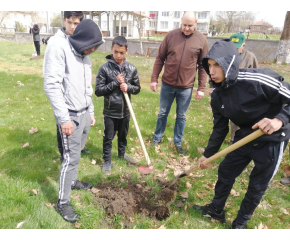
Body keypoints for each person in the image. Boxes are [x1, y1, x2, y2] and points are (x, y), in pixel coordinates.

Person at [193, 39, 290, 229]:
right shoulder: (217, 95)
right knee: (226, 171)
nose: (211, 71)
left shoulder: (258, 80)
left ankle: (240, 224)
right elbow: (220, 128)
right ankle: (216, 210)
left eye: (217, 65)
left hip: (272, 139)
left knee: (257, 185)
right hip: (245, 136)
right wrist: (208, 154)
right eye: (209, 66)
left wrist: (278, 119)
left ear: (229, 63)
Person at [43, 19, 104, 223]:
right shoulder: (61, 49)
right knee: (70, 158)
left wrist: (91, 111)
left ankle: (73, 181)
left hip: (85, 113)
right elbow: (51, 85)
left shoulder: (85, 58)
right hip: (70, 115)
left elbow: (88, 87)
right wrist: (63, 118)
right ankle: (63, 202)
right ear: (82, 40)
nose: (93, 49)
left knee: (78, 152)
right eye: (91, 45)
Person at [150, 11, 208, 155]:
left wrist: (201, 88)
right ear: (180, 22)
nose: (186, 28)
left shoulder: (201, 40)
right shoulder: (171, 36)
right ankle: (157, 138)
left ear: (195, 24)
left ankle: (178, 142)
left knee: (181, 116)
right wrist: (154, 79)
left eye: (190, 25)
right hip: (167, 84)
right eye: (184, 25)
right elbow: (160, 58)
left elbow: (203, 66)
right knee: (163, 112)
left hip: (186, 88)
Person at [95, 36, 141, 175]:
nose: (118, 55)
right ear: (111, 49)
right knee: (108, 137)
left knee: (123, 135)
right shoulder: (104, 69)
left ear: (126, 51)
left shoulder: (131, 69)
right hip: (110, 111)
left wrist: (128, 87)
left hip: (125, 111)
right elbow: (98, 91)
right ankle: (107, 161)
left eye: (121, 52)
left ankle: (122, 154)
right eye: (116, 52)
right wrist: (115, 82)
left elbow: (137, 88)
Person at [53, 11, 90, 162]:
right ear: (64, 20)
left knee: (74, 136)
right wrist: (63, 117)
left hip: (78, 101)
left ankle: (72, 152)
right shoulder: (57, 44)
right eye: (70, 22)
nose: (73, 27)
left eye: (77, 24)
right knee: (63, 128)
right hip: (65, 103)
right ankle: (65, 157)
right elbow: (52, 83)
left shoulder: (77, 41)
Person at [228, 33, 259, 144]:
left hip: (242, 94)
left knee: (237, 120)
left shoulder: (250, 57)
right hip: (226, 93)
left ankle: (235, 141)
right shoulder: (224, 55)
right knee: (220, 120)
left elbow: (256, 77)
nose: (234, 49)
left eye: (237, 47)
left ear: (243, 45)